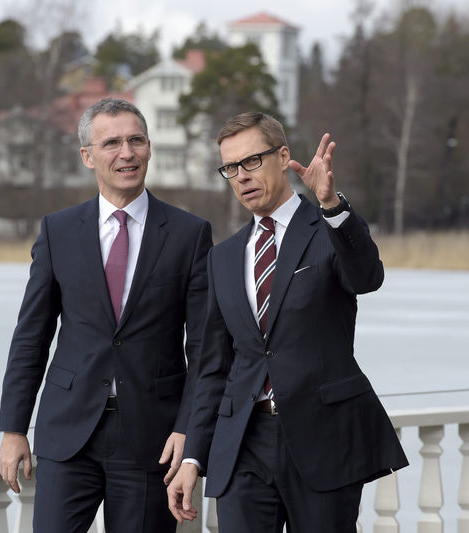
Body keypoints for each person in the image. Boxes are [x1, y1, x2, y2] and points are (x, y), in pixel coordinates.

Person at [167, 112, 407, 532]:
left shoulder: (327, 227)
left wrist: (331, 206)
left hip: (323, 439)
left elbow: (367, 278)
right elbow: (212, 366)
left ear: (282, 156)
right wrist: (193, 456)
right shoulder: (223, 257)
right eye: (231, 168)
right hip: (242, 443)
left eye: (252, 161)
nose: (241, 176)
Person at [0, 97, 212, 533]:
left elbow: (205, 348)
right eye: (111, 142)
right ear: (87, 156)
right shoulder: (58, 231)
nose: (126, 153)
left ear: (150, 148)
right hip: (68, 433)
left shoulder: (190, 234)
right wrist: (13, 427)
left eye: (136, 140)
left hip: (153, 439)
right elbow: (31, 336)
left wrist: (189, 428)